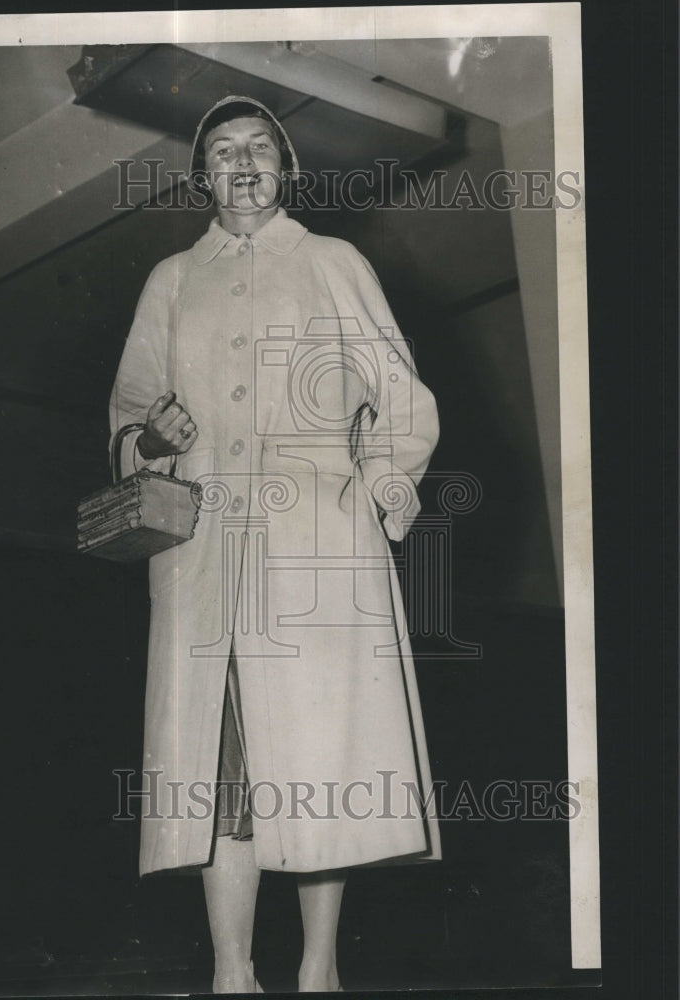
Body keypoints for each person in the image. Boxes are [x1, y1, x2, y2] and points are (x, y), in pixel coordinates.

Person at [109, 95, 441, 993]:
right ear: (202, 176)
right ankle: (230, 973)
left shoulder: (332, 261)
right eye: (223, 151)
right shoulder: (172, 280)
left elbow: (400, 397)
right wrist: (154, 434)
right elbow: (126, 417)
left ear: (285, 167)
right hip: (206, 545)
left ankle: (319, 970)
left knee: (315, 751)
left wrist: (379, 477)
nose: (243, 161)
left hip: (316, 538)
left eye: (259, 146)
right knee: (222, 764)